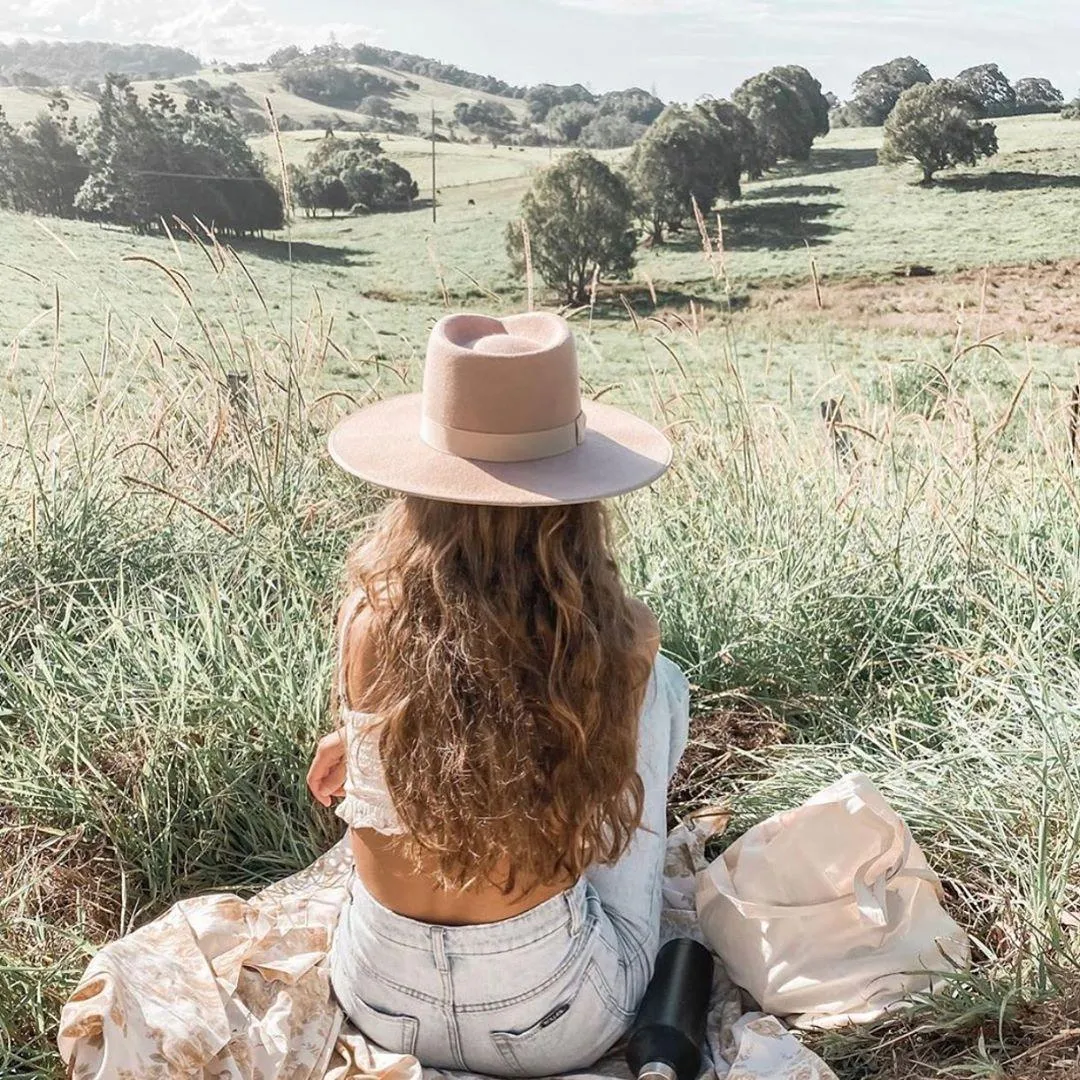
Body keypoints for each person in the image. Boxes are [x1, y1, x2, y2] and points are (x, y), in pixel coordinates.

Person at [306, 312, 690, 1077]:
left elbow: (456, 697)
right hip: (552, 1018)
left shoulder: (366, 618)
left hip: (376, 996)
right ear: (577, 495)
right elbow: (577, 779)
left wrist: (365, 734)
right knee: (661, 682)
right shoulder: (618, 639)